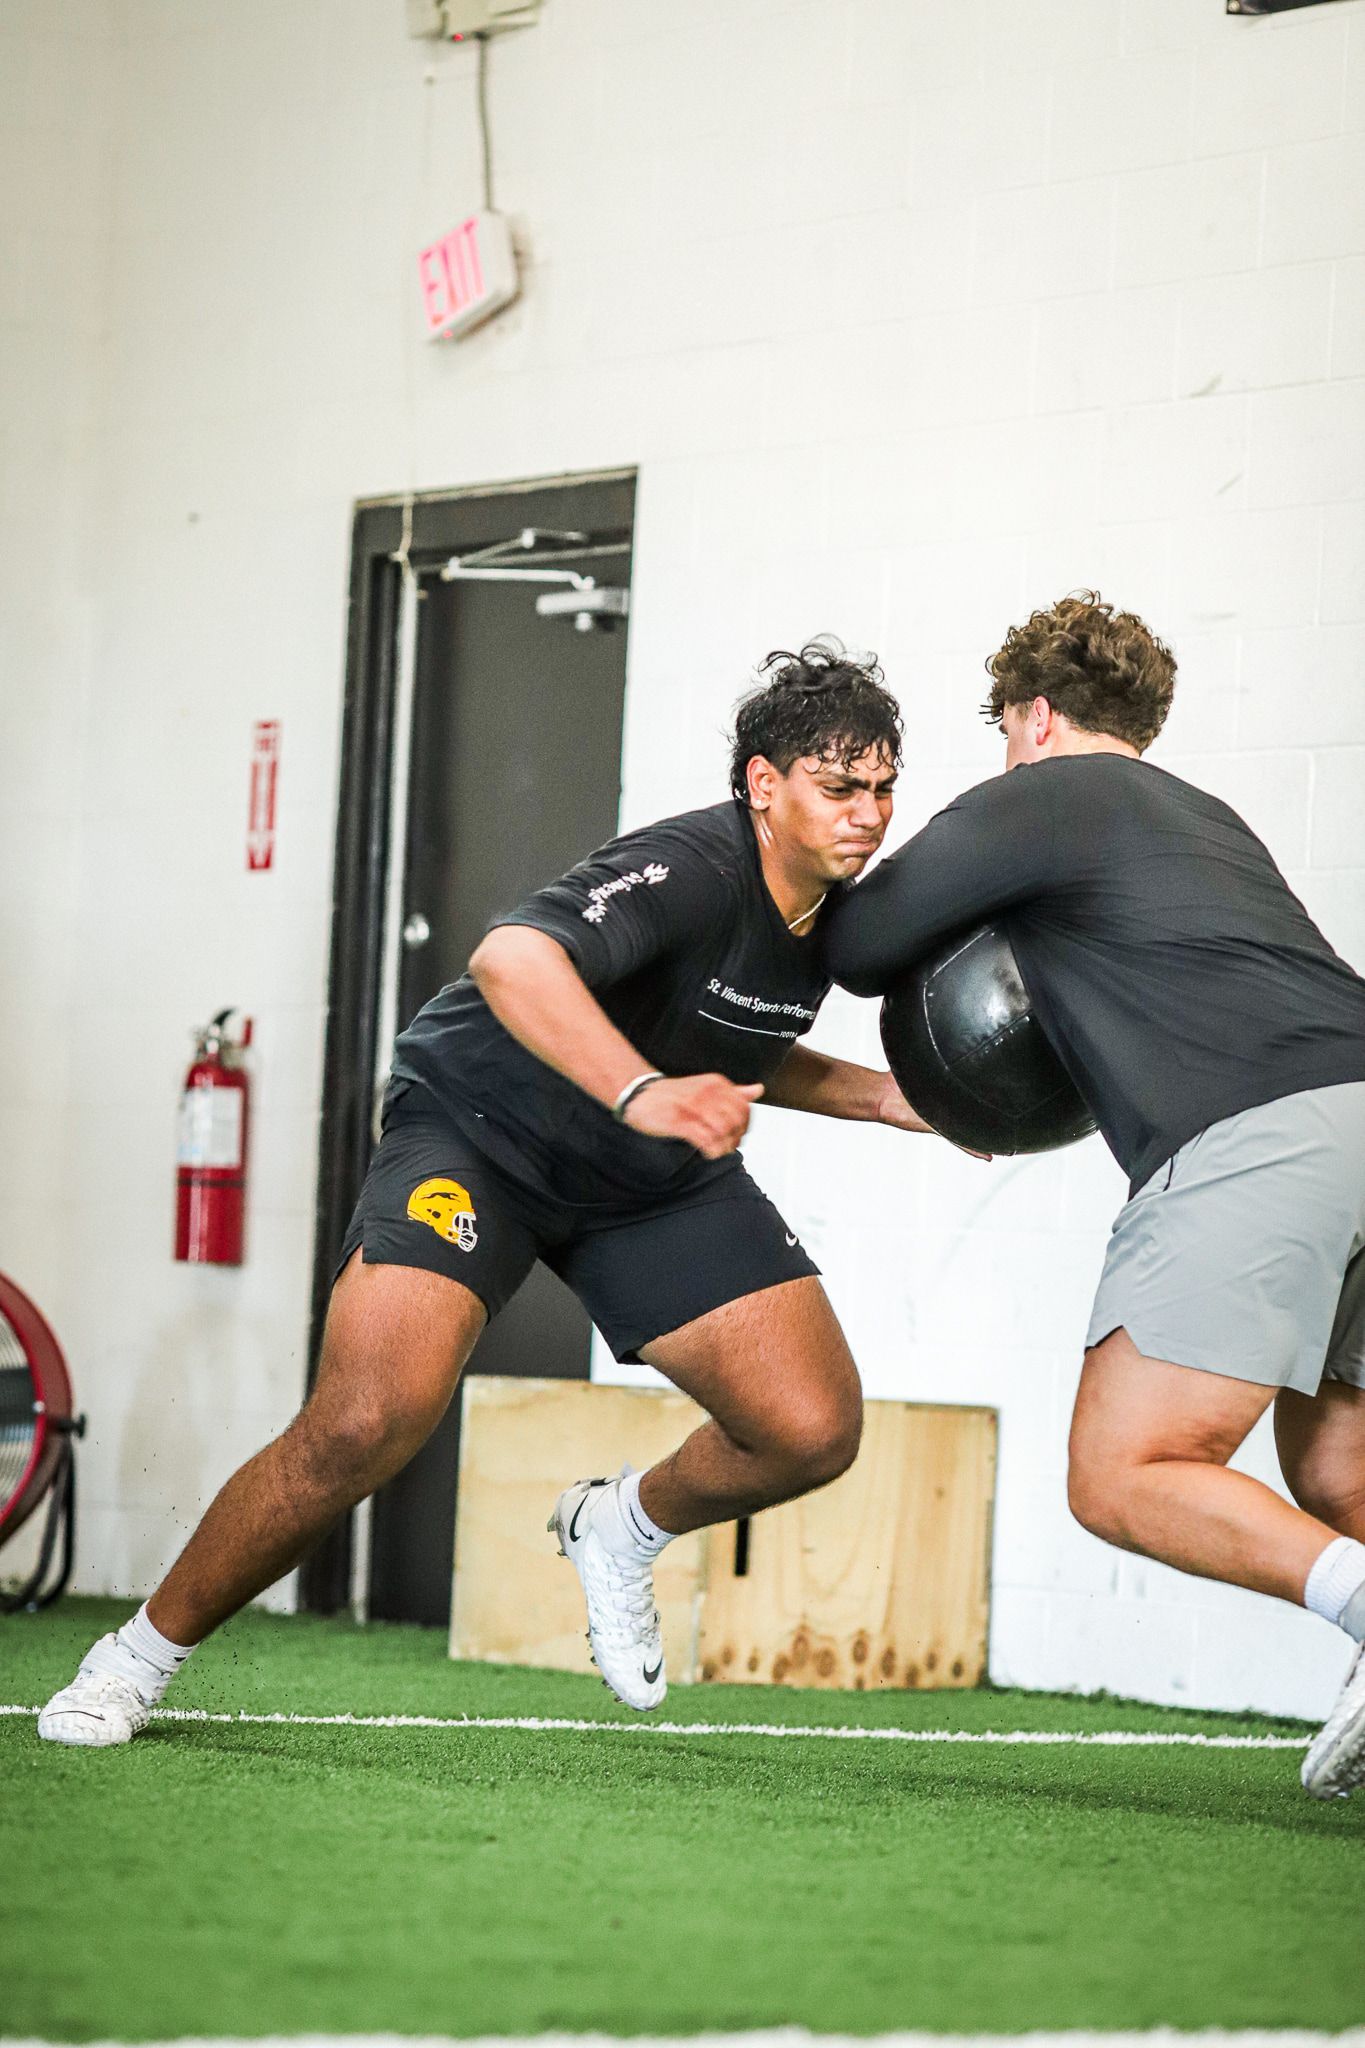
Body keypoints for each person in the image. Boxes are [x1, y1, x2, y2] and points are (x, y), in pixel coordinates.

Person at [39, 642, 939, 1746]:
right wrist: (642, 1088)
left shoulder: (833, 915)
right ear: (763, 783)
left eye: (883, 787)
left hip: (642, 1174)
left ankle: (621, 1525)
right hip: (481, 1132)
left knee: (809, 1426)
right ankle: (131, 1661)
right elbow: (513, 959)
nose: (868, 815)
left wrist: (881, 1098)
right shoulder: (690, 867)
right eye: (840, 787)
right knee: (362, 1422)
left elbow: (739, 1032)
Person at [822, 593, 1365, 1800]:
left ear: (1036, 717)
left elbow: (862, 946)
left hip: (1260, 1124)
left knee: (1125, 1469)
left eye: (1006, 732)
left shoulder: (1045, 794)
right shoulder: (1203, 815)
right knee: (1340, 1475)